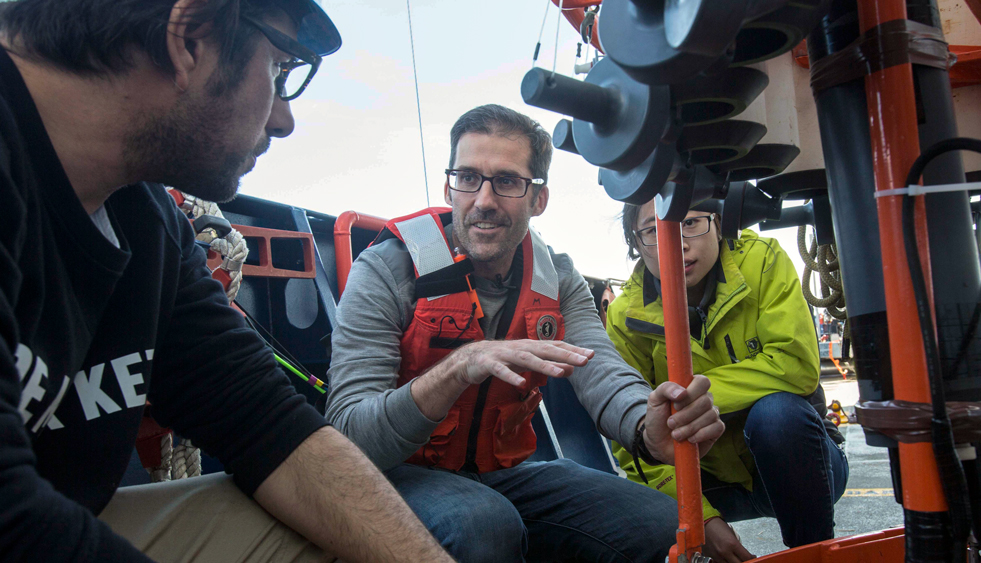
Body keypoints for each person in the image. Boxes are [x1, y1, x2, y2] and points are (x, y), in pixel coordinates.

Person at [0, 1, 453, 561]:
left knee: (338, 525)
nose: (283, 121)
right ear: (188, 39)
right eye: (279, 70)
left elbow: (265, 425)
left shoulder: (147, 225)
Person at [325, 104, 727, 562]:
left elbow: (599, 369)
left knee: (659, 525)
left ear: (539, 199)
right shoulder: (385, 269)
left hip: (502, 477)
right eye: (468, 178)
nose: (484, 200)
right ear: (449, 188)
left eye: (508, 181)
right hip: (393, 476)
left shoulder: (556, 278)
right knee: (483, 523)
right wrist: (459, 367)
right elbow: (350, 435)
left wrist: (645, 425)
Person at [607, 200, 849, 562]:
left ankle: (812, 554)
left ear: (718, 223)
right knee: (617, 506)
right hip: (704, 484)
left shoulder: (761, 260)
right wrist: (700, 519)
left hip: (804, 466)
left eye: (691, 222)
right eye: (653, 231)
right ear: (636, 243)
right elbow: (635, 442)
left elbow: (796, 365)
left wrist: (686, 402)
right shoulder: (624, 316)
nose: (678, 242)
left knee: (777, 415)